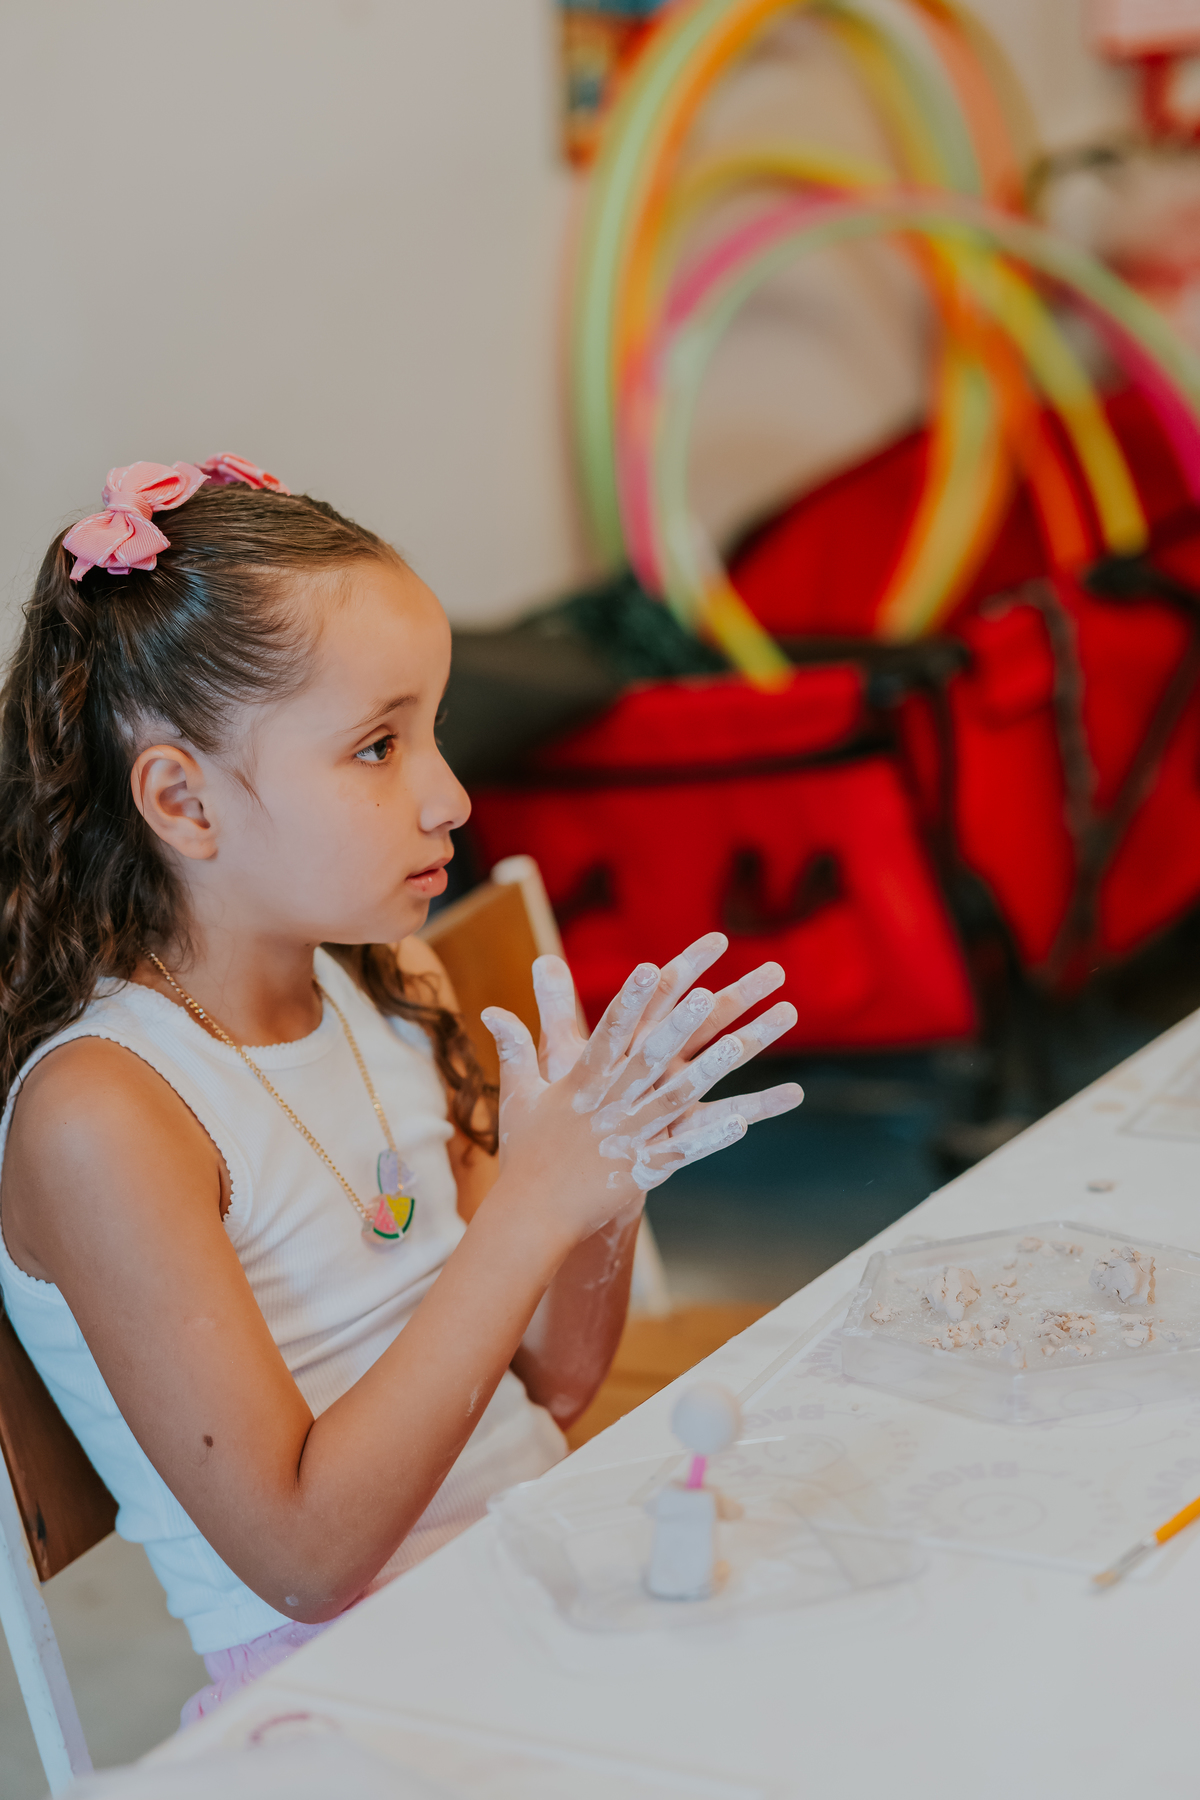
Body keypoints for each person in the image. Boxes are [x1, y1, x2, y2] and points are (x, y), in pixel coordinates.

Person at [0, 457, 802, 1721]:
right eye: (377, 746)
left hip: (535, 1573)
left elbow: (549, 1390)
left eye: (429, 730)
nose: (449, 795)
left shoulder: (384, 986)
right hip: (361, 1693)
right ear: (183, 801)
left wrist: (604, 1178)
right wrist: (529, 1211)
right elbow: (305, 1559)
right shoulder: (107, 1113)